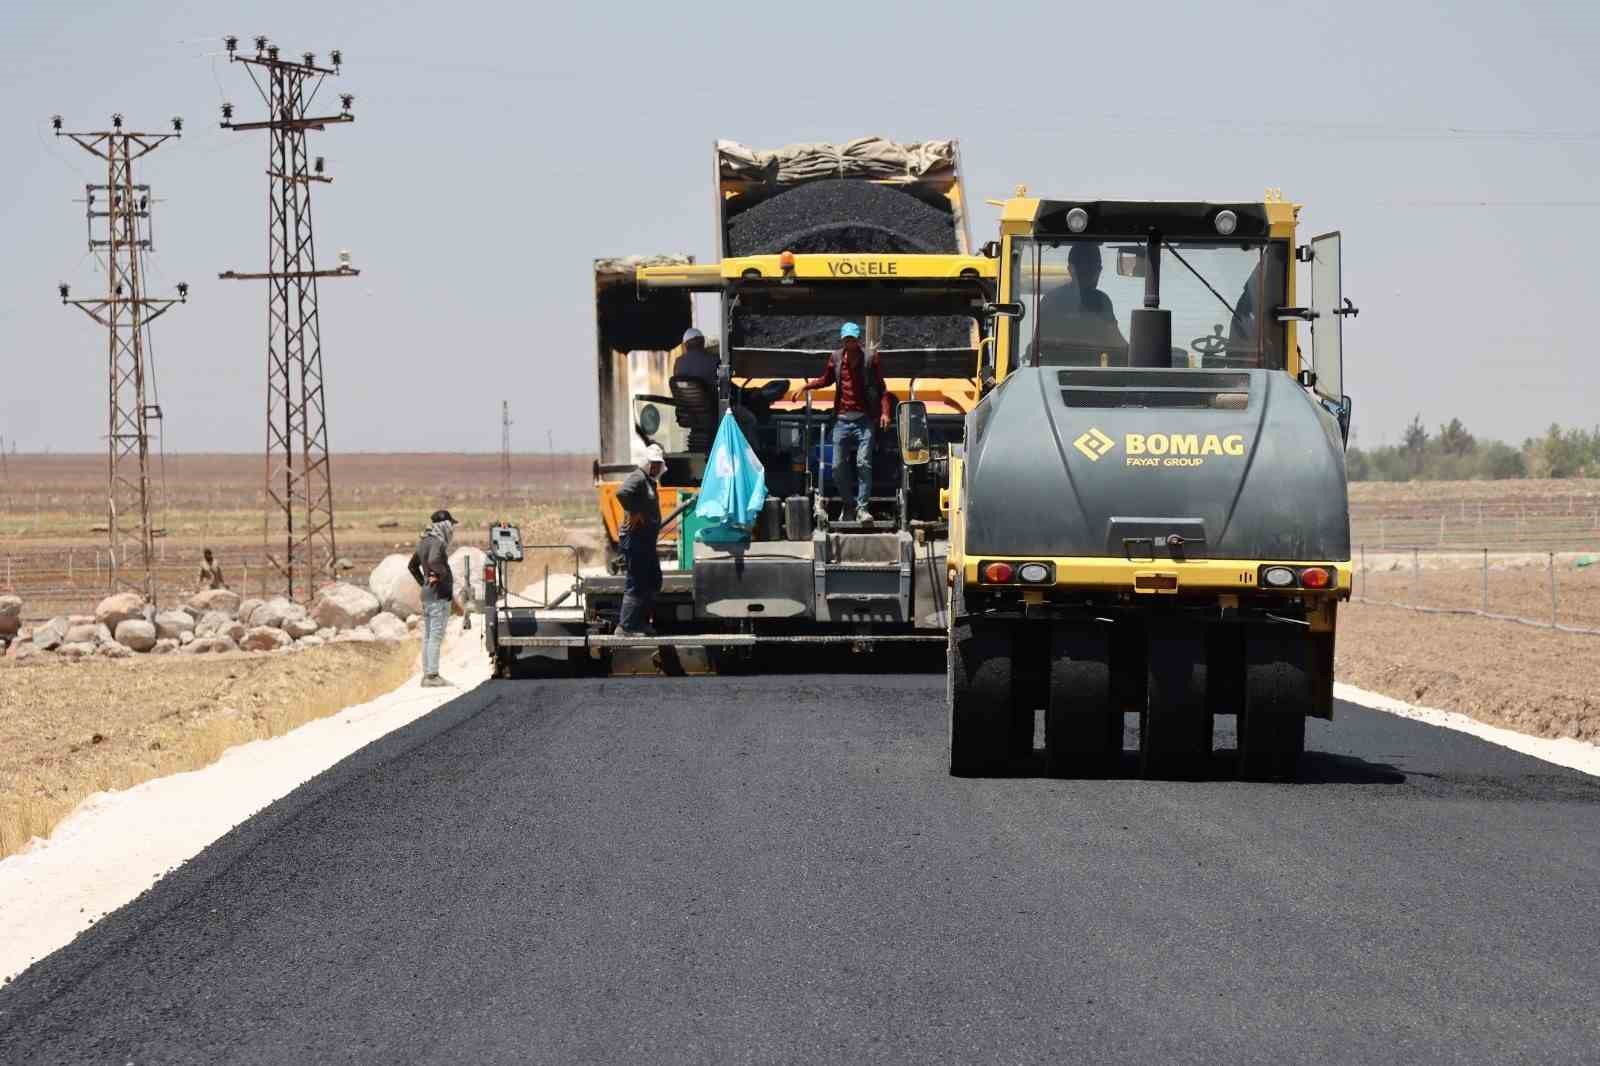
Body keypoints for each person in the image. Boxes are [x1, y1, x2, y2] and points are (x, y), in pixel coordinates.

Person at [789, 322, 891, 525]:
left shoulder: (870, 359)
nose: (849, 343)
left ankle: (862, 509)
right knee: (836, 467)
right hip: (842, 420)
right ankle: (848, 504)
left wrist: (885, 413)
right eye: (846, 339)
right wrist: (805, 387)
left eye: (852, 339)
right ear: (842, 341)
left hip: (864, 420)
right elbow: (825, 380)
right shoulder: (836, 358)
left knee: (863, 463)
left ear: (858, 340)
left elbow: (882, 389)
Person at [1032, 242, 1128, 365]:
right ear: (1071, 270)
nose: (1093, 275)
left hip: (1056, 372)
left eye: (1096, 269)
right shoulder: (1100, 300)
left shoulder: (1049, 299)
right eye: (1086, 270)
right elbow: (1117, 342)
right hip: (1086, 373)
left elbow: (1035, 348)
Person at [614, 443, 666, 636]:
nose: (656, 467)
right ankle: (626, 627)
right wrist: (635, 512)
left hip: (646, 541)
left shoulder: (650, 482)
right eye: (653, 463)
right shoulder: (638, 477)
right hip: (635, 539)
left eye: (658, 464)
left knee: (653, 580)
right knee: (636, 582)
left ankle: (640, 622)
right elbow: (622, 493)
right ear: (646, 462)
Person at [407, 508, 457, 687]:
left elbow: (412, 566)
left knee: (428, 636)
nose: (452, 529)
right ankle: (432, 676)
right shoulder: (438, 542)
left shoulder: (423, 541)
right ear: (444, 525)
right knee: (435, 636)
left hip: (428, 596)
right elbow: (434, 560)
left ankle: (427, 674)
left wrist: (424, 583)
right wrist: (441, 575)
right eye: (451, 525)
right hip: (438, 596)